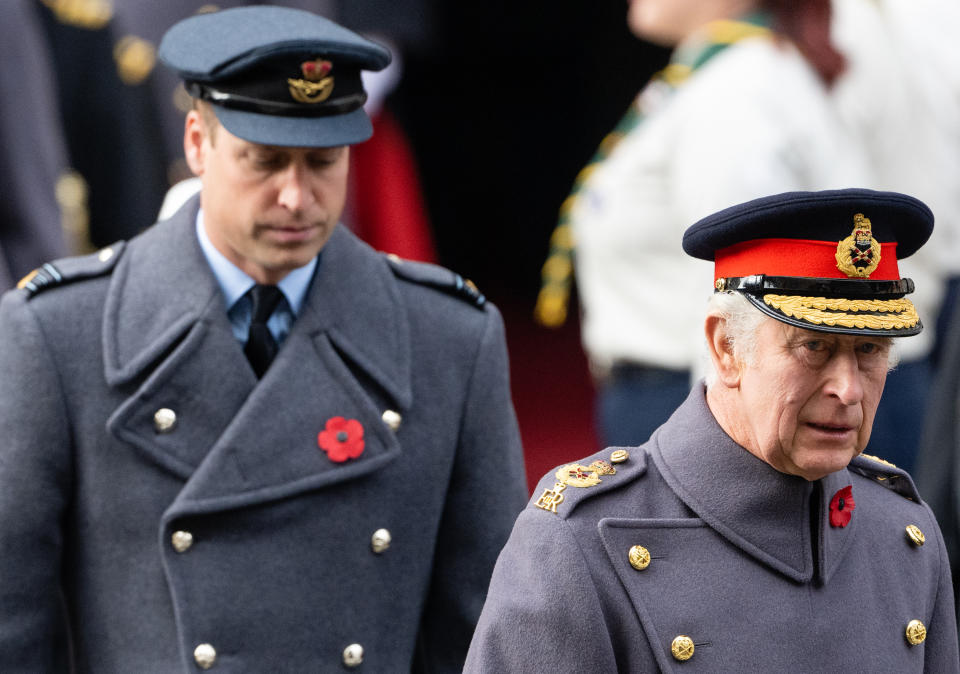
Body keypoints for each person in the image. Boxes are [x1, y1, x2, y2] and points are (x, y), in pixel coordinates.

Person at [0, 6, 527, 671]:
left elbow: (483, 625)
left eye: (322, 162)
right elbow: (14, 619)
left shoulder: (449, 339)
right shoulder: (58, 332)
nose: (295, 197)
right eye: (265, 161)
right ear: (197, 143)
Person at [468, 188, 959, 671]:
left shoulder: (902, 533)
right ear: (726, 347)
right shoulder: (576, 541)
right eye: (815, 347)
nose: (849, 390)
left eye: (870, 350)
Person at [534, 0, 868, 449]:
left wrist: (719, 452)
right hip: (672, 397)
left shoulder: (737, 92)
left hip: (692, 407)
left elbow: (743, 294)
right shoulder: (719, 72)